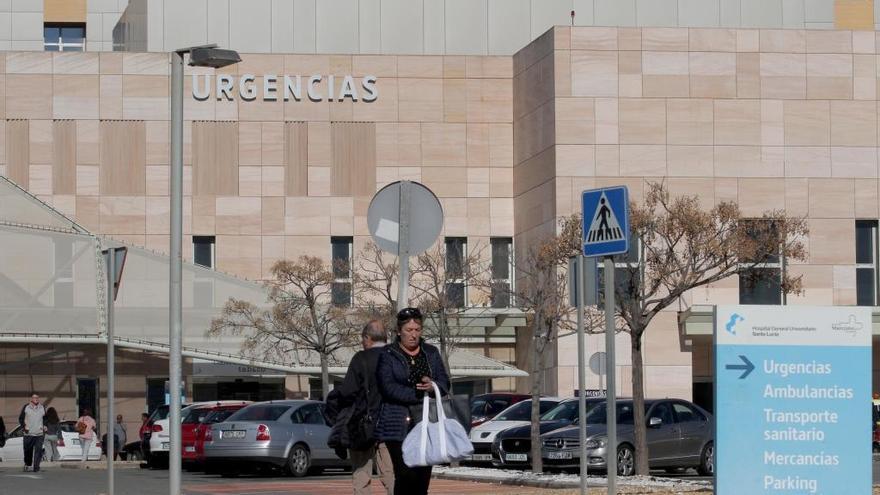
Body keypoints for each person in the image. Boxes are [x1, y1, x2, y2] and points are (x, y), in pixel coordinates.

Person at [375, 307, 450, 495]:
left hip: (426, 422)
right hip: (397, 424)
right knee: (405, 474)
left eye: (417, 330)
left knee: (422, 478)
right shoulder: (388, 354)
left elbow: (444, 381)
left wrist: (433, 387)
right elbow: (387, 387)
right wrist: (417, 394)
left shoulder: (430, 352)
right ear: (399, 331)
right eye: (409, 330)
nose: (413, 335)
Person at [335, 319, 394, 495]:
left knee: (361, 476)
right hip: (391, 426)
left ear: (367, 338)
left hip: (362, 426)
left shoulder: (360, 359)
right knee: (391, 475)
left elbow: (347, 392)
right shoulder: (395, 357)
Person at [19, 393, 46, 472]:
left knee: (38, 451)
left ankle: (36, 467)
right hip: (28, 433)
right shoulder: (26, 407)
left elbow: (45, 419)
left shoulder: (42, 407)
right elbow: (21, 419)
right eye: (34, 397)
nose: (36, 399)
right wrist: (24, 427)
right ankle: (28, 464)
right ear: (31, 399)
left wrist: (45, 425)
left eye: (37, 397)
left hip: (39, 433)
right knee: (28, 451)